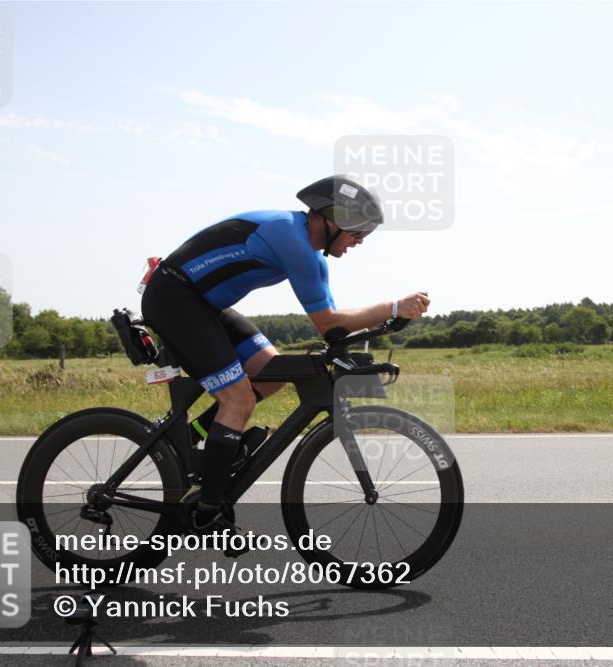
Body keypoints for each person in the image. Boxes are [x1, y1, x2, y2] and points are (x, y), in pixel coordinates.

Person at [140, 175, 430, 536]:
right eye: (358, 232)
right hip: (174, 299)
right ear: (332, 218)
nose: (359, 242)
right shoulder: (289, 238)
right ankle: (208, 509)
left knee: (272, 372)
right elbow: (329, 325)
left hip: (202, 305)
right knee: (239, 398)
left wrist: (389, 319)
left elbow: (336, 330)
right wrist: (392, 306)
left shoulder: (311, 257)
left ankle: (197, 440)